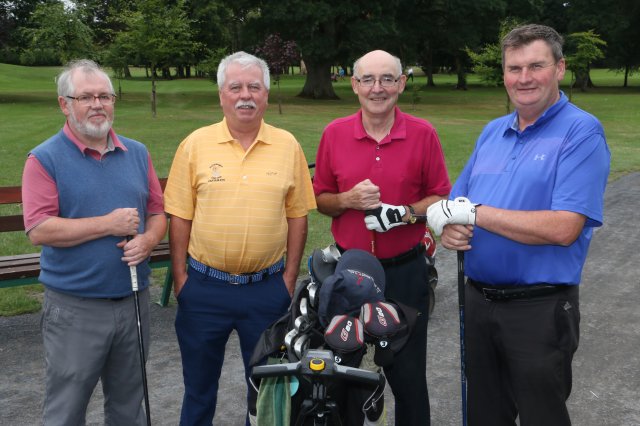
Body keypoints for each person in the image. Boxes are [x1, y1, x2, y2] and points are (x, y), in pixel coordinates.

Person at [427, 24, 610, 425]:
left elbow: (565, 227)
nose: (524, 78)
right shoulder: (494, 131)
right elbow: (456, 206)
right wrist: (451, 230)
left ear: (559, 68)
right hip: (478, 303)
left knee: (541, 416)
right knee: (485, 415)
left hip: (539, 309)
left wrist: (473, 214)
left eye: (536, 66)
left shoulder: (581, 132)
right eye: (514, 68)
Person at [164, 51, 316, 425]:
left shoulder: (288, 145)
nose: (245, 95)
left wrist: (288, 279)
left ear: (266, 94)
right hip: (203, 288)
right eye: (236, 87)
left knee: (267, 394)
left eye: (254, 87)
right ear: (221, 94)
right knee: (198, 391)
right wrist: (181, 279)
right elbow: (179, 216)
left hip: (266, 290)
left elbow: (298, 216)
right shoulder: (195, 144)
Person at [21, 59, 167, 425]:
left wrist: (148, 240)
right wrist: (107, 224)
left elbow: (157, 212)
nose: (97, 104)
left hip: (132, 298)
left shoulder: (137, 152)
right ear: (64, 104)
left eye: (105, 95)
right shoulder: (44, 159)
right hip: (76, 308)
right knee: (67, 409)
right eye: (85, 97)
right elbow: (39, 228)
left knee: (129, 405)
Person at [313, 49, 451, 425]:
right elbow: (321, 199)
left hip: (405, 273)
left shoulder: (423, 133)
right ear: (354, 85)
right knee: (342, 377)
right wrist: (346, 200)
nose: (378, 88)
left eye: (387, 79)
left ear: (401, 84)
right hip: (348, 277)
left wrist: (403, 214)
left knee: (408, 380)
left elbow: (441, 195)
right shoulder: (334, 133)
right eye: (368, 80)